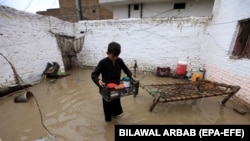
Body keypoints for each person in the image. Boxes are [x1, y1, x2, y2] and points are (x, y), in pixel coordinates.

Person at [91, 41, 135, 122]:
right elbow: (94, 75)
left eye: (117, 56)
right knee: (107, 110)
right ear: (107, 53)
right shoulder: (103, 63)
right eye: (113, 56)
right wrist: (98, 81)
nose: (115, 58)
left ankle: (114, 117)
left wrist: (131, 75)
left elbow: (126, 69)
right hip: (106, 89)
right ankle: (108, 123)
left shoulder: (119, 61)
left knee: (116, 105)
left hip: (117, 88)